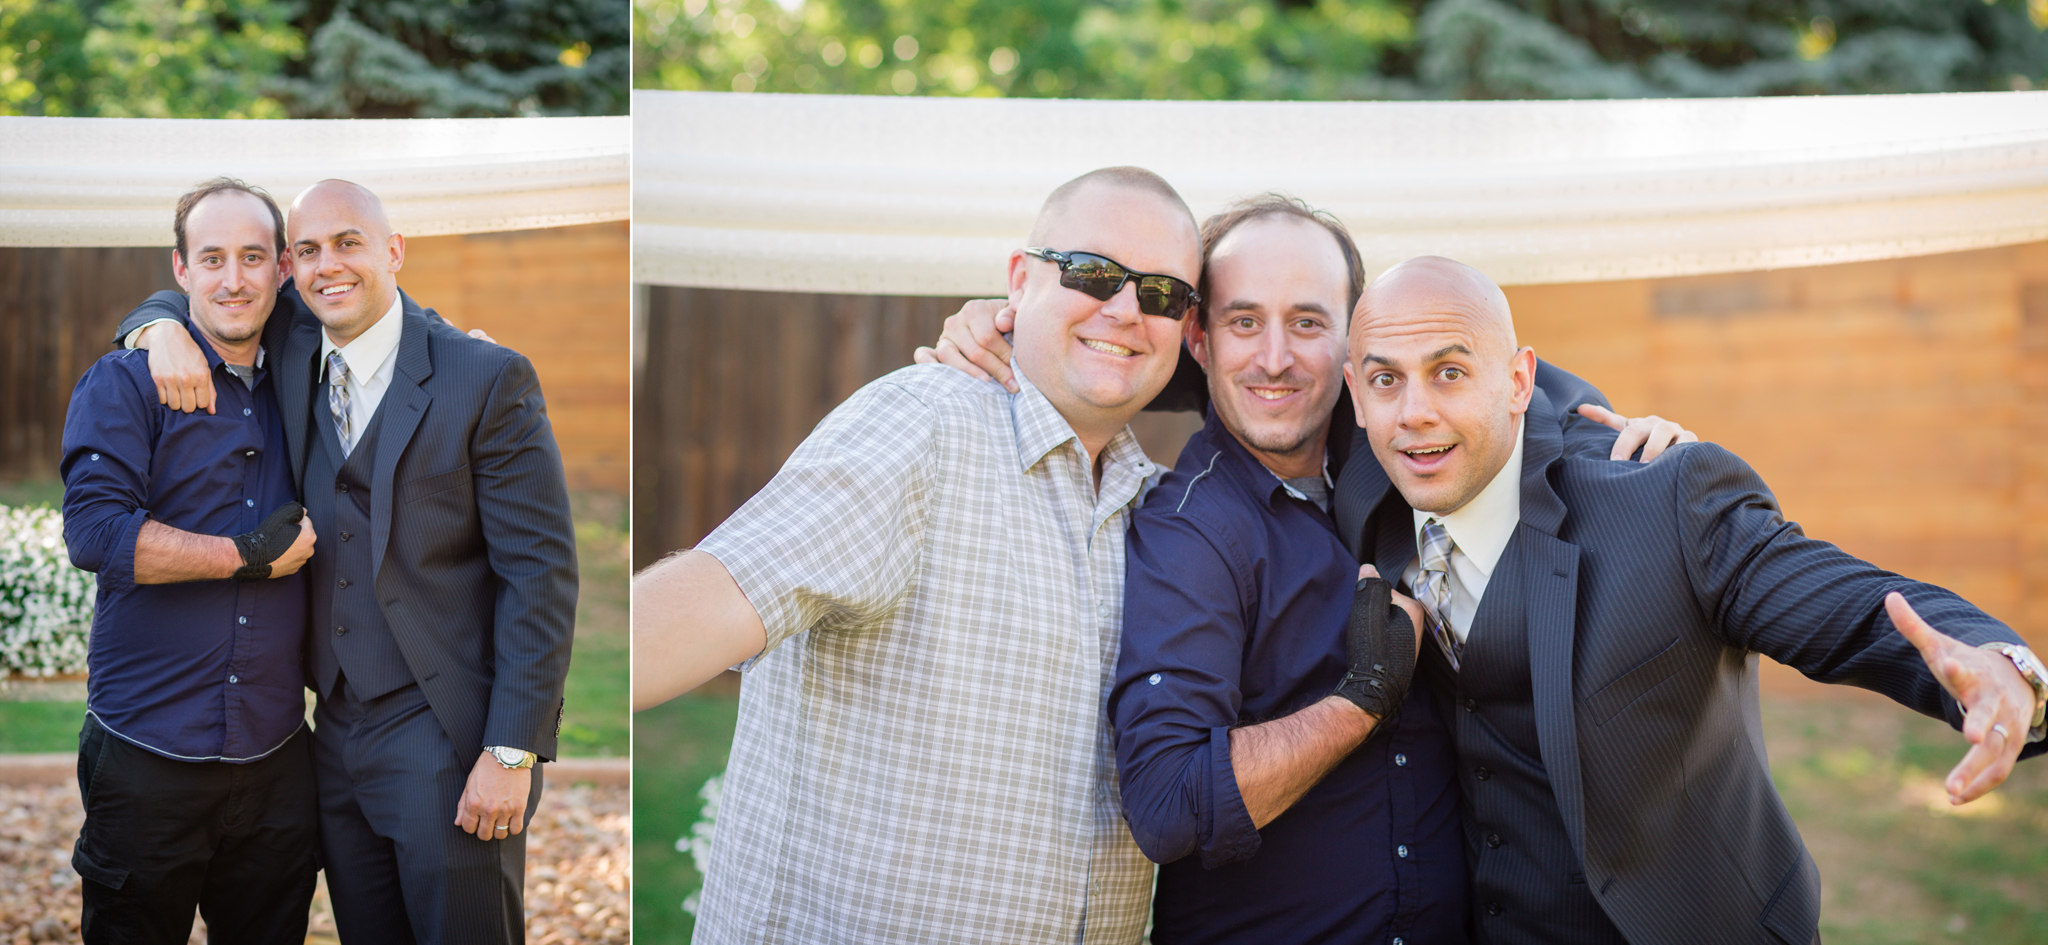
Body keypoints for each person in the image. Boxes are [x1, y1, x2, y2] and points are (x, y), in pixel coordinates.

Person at [926, 195, 1686, 945]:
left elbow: (1504, 384)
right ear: (1199, 336)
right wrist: (1361, 700)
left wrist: (1630, 439)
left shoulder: (1406, 457)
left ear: (1356, 342)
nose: (1276, 357)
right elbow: (1166, 804)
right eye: (1244, 320)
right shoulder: (1188, 528)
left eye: (1309, 322)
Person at [1338, 255, 2047, 945]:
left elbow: (1847, 603)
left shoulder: (1660, 498)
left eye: (1451, 372)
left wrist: (2000, 666)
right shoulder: (1367, 490)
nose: (1415, 412)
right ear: (1355, 389)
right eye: (1386, 381)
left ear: (1518, 381)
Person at [632, 166, 1208, 943]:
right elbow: (722, 589)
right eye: (1094, 272)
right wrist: (518, 710)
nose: (1126, 308)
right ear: (1020, 277)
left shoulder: (1162, 511)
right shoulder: (923, 426)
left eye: (1164, 294)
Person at [112, 179, 579, 945]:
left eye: (350, 242)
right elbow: (196, 295)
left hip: (447, 732)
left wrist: (512, 749)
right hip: (330, 736)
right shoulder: (292, 340)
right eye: (308, 250)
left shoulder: (485, 377)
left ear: (394, 250)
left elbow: (541, 573)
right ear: (292, 271)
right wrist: (154, 329)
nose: (328, 264)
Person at [59, 178, 321, 944]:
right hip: (146, 751)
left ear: (281, 270)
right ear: (180, 269)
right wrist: (247, 558)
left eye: (251, 257)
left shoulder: (311, 377)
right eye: (211, 258)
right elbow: (96, 534)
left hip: (277, 754)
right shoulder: (126, 381)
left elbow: (373, 300)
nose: (232, 278)